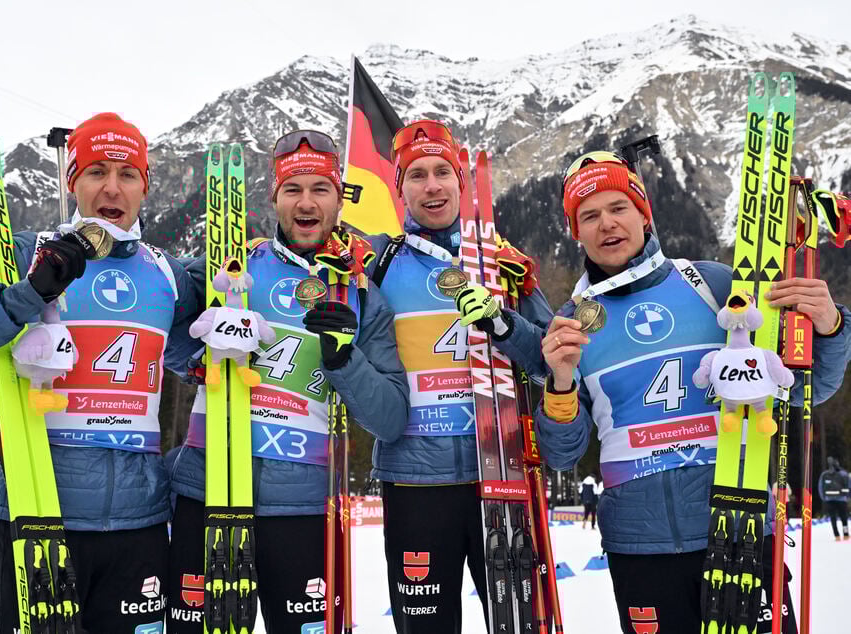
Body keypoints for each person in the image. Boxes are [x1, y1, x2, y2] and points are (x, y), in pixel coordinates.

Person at [484, 151, 851, 634]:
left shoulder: (713, 284)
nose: (607, 224)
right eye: (589, 215)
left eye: (618, 207)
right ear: (575, 231)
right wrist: (560, 381)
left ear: (644, 213)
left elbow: (804, 389)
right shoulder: (573, 320)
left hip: (737, 527)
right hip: (639, 547)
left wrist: (830, 326)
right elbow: (561, 452)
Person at [0, 112, 202, 633]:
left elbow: (190, 361)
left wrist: (221, 347)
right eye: (96, 171)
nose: (112, 187)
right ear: (72, 181)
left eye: (127, 174)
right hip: (35, 512)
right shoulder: (21, 252)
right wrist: (25, 295)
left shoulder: (168, 274)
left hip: (141, 522)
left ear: (144, 187)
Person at [167, 130, 409, 633]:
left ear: (339, 199)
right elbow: (156, 344)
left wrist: (344, 360)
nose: (306, 202)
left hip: (301, 503)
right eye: (293, 188)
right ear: (274, 197)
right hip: (207, 489)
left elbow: (390, 418)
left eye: (320, 188)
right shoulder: (229, 267)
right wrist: (197, 350)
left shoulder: (361, 295)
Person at [360, 119, 553, 633]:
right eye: (416, 175)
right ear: (399, 189)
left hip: (502, 475)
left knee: (515, 623)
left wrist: (504, 323)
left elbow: (552, 357)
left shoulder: (503, 262)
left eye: (442, 171)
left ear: (461, 183)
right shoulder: (379, 262)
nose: (432, 186)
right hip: (415, 480)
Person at [818, 456, 850, 540]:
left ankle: (837, 535)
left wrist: (824, 498)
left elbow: (820, 487)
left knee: (833, 518)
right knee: (844, 517)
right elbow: (849, 485)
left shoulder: (824, 474)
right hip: (842, 499)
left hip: (829, 499)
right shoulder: (844, 473)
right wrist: (848, 497)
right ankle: (846, 534)